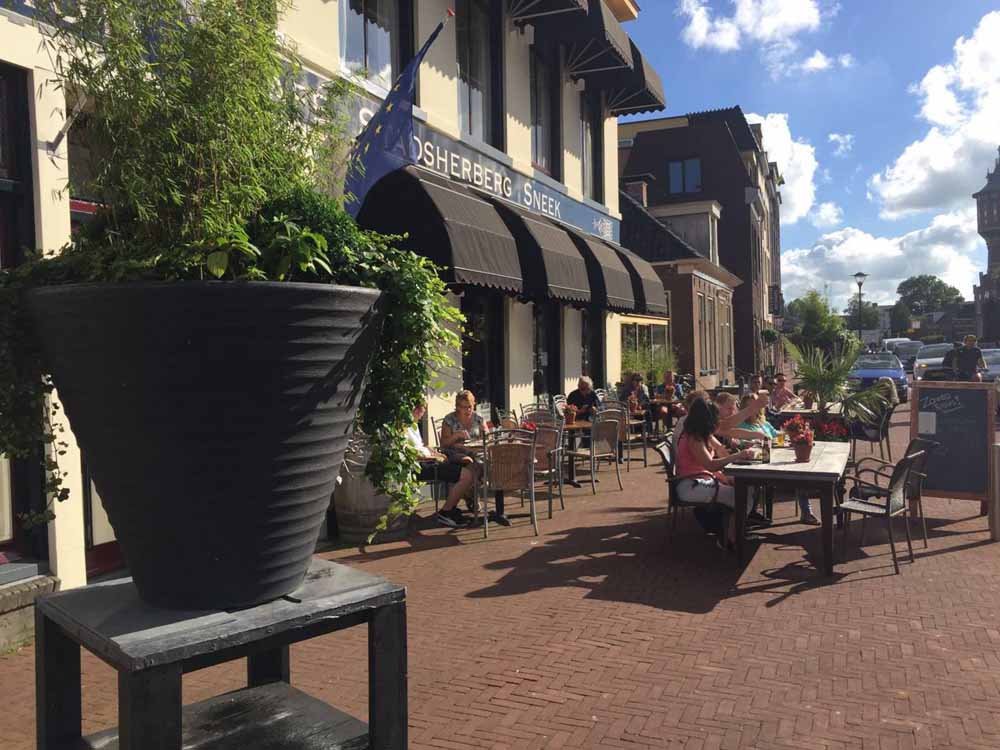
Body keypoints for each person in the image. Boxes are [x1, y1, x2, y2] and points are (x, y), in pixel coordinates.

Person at [675, 399, 755, 547]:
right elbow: (710, 465)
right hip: (691, 486)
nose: (717, 420)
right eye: (714, 417)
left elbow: (708, 463)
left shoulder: (699, 434)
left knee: (745, 490)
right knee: (742, 496)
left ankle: (729, 531)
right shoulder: (694, 439)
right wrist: (737, 456)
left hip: (699, 481)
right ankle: (729, 538)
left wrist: (724, 476)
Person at [737, 395, 819, 525]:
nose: (754, 408)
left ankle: (806, 513)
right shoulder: (741, 425)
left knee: (800, 473)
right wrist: (751, 443)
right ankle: (751, 513)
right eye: (750, 405)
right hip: (760, 464)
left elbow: (777, 435)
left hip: (776, 458)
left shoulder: (763, 422)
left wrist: (793, 433)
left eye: (756, 405)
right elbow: (739, 442)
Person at [440, 390, 509, 526]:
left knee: (491, 467)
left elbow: (487, 438)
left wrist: (484, 436)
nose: (468, 410)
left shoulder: (478, 418)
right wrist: (456, 436)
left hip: (475, 454)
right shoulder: (449, 420)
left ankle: (471, 495)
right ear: (457, 407)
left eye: (470, 406)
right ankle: (470, 496)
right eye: (464, 407)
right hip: (455, 455)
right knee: (473, 465)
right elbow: (443, 444)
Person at [407, 403, 477, 528]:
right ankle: (446, 513)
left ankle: (453, 506)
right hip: (424, 464)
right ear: (415, 410)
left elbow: (421, 446)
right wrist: (435, 457)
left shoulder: (413, 425)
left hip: (431, 458)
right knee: (467, 475)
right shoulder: (404, 428)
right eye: (422, 411)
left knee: (468, 463)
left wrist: (435, 452)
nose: (422, 415)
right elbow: (412, 453)